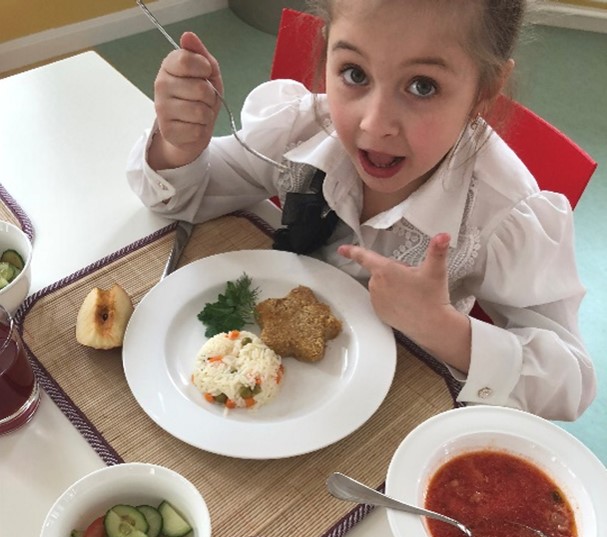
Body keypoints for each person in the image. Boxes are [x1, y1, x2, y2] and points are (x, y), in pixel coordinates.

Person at [127, 0, 596, 420]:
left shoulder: (502, 213)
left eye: (422, 86)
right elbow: (185, 195)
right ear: (328, 50)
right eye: (354, 73)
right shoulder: (301, 131)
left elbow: (571, 383)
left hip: (401, 418)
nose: (374, 124)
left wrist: (444, 330)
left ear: (484, 90)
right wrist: (178, 147)